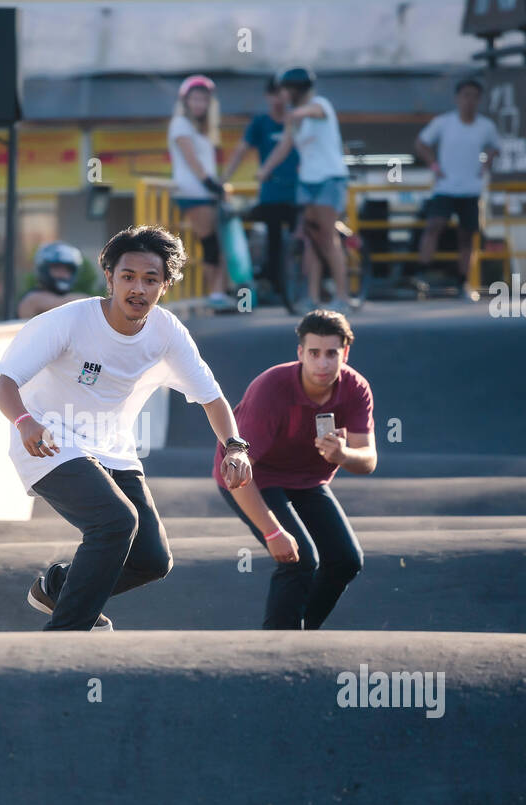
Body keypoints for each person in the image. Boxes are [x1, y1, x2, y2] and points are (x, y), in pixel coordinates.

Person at [0, 224, 255, 631]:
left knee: (152, 559)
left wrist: (235, 447)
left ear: (164, 286)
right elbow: (3, 383)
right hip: (49, 440)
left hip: (113, 449)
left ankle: (58, 587)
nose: (138, 289)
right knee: (116, 521)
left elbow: (211, 397)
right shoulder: (69, 322)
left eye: (151, 280)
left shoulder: (167, 332)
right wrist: (25, 422)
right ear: (109, 277)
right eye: (128, 276)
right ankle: (63, 638)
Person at [212, 309, 376, 630]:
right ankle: (276, 652)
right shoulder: (271, 388)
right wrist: (273, 532)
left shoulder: (355, 388)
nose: (323, 363)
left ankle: (301, 637)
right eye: (314, 353)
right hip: (252, 478)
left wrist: (343, 455)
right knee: (298, 560)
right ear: (300, 353)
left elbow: (368, 460)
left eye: (332, 354)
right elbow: (240, 477)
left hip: (306, 481)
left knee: (345, 560)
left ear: (345, 353)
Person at [257, 68, 352, 314]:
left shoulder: (320, 105)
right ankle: (312, 297)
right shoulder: (294, 119)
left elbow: (315, 112)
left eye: (286, 90)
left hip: (330, 178)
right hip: (307, 181)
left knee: (327, 237)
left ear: (296, 90)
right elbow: (284, 146)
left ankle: (343, 297)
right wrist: (265, 169)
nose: (283, 94)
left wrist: (296, 113)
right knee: (311, 241)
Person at [413, 77, 501, 302]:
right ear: (457, 98)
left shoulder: (486, 126)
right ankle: (422, 274)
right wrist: (434, 165)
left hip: (471, 189)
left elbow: (495, 147)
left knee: (467, 236)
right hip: (445, 186)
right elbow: (421, 143)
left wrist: (486, 163)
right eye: (465, 95)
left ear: (479, 100)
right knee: (434, 226)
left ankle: (463, 282)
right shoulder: (443, 123)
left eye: (474, 96)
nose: (469, 101)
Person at [219, 73, 300, 304]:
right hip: (271, 194)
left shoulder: (296, 120)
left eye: (282, 94)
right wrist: (223, 179)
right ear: (267, 96)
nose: (278, 99)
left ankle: (303, 286)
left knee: (301, 240)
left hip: (298, 194)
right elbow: (241, 152)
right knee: (272, 242)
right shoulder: (260, 123)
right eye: (273, 94)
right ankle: (274, 287)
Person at [168, 74, 232, 311]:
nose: (199, 104)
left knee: (220, 242)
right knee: (210, 242)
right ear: (186, 101)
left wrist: (216, 186)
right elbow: (191, 159)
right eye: (195, 99)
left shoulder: (204, 129)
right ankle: (214, 293)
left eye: (203, 99)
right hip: (193, 191)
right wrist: (210, 183)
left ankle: (221, 291)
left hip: (207, 191)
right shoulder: (180, 124)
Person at [18, 242, 87, 319]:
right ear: (43, 269)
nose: (62, 274)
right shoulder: (32, 299)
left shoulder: (75, 298)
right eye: (57, 269)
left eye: (66, 270)